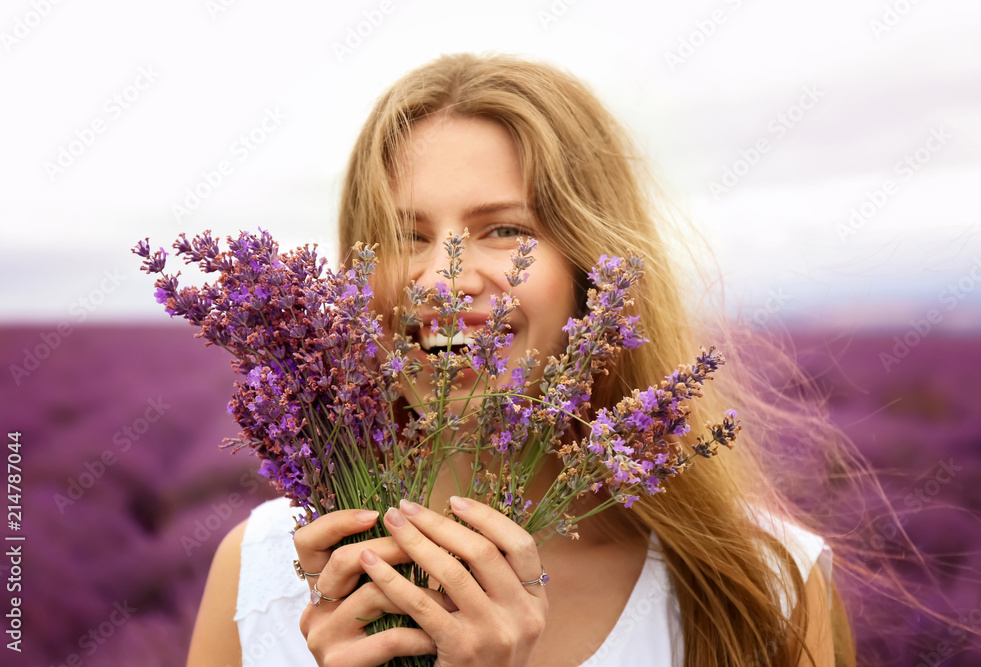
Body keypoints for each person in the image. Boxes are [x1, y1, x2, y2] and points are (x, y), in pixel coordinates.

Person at [187, 53, 853, 666]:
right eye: (403, 236)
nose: (444, 283)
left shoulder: (762, 587)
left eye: (505, 229)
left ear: (590, 271)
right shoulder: (263, 572)